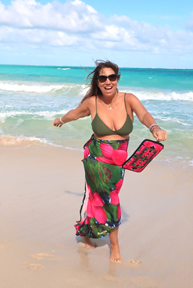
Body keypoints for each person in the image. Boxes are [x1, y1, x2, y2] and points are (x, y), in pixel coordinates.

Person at [53, 60, 167, 263]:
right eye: (103, 78)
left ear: (117, 79)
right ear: (97, 82)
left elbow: (143, 114)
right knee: (109, 199)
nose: (108, 82)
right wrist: (61, 120)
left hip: (119, 163)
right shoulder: (92, 103)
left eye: (111, 77)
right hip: (96, 158)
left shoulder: (129, 99)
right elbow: (75, 113)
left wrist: (155, 128)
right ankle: (114, 246)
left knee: (97, 198)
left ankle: (86, 233)